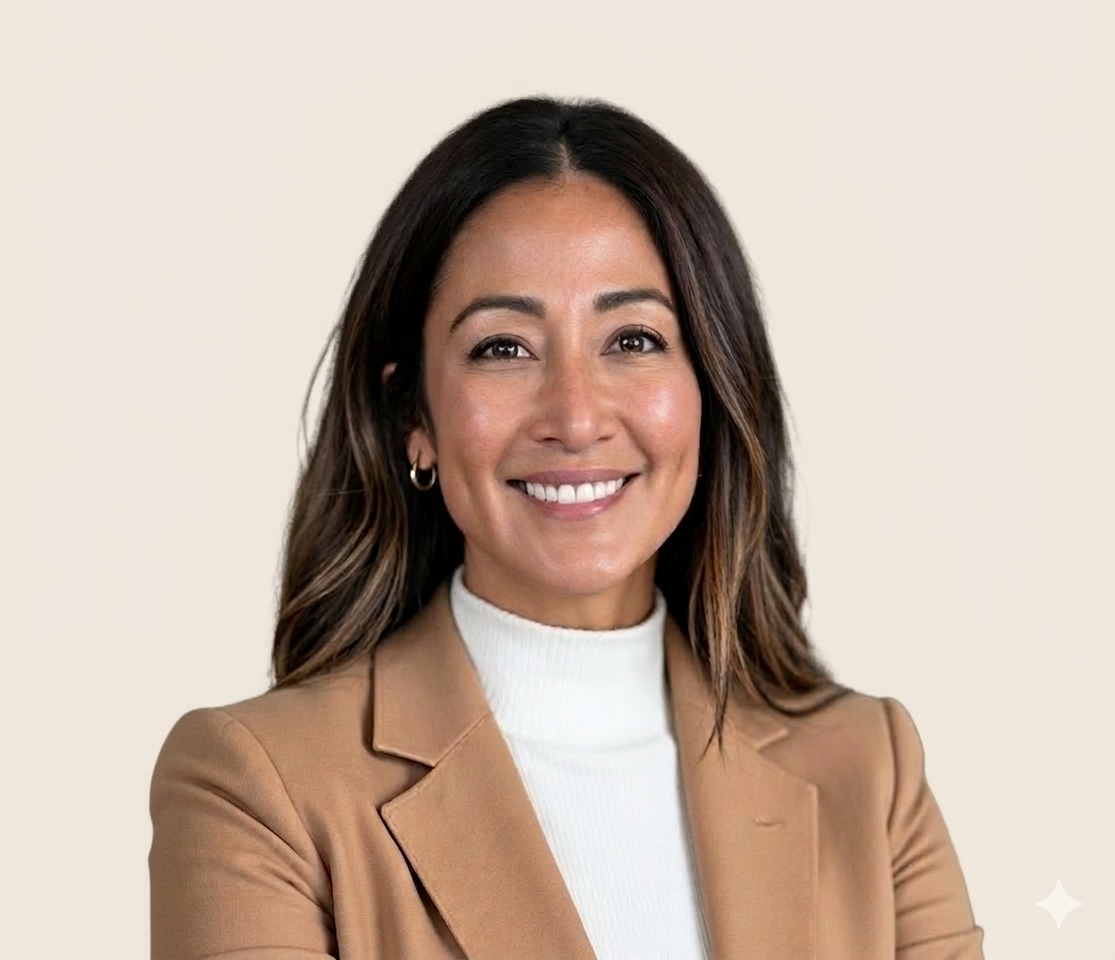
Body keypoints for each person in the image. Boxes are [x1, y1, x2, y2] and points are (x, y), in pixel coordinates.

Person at [149, 96, 984, 960]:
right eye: (502, 348)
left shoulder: (866, 769)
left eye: (633, 339)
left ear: (711, 387)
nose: (576, 418)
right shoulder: (258, 786)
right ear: (415, 414)